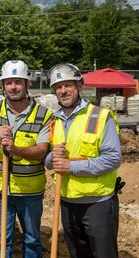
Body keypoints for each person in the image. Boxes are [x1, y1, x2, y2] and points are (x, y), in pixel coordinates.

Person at [44, 63, 121, 258]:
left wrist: (72, 166)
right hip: (68, 202)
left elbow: (113, 159)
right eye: (58, 87)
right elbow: (48, 160)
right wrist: (53, 157)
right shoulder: (54, 120)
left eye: (68, 85)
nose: (63, 91)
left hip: (98, 203)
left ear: (80, 86)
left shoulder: (100, 116)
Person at [0, 60, 53, 258]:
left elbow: (41, 150)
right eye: (9, 82)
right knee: (0, 240)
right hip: (0, 188)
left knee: (32, 239)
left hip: (30, 191)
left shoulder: (43, 115)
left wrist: (15, 149)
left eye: (18, 82)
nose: (13, 87)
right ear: (3, 86)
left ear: (27, 84)